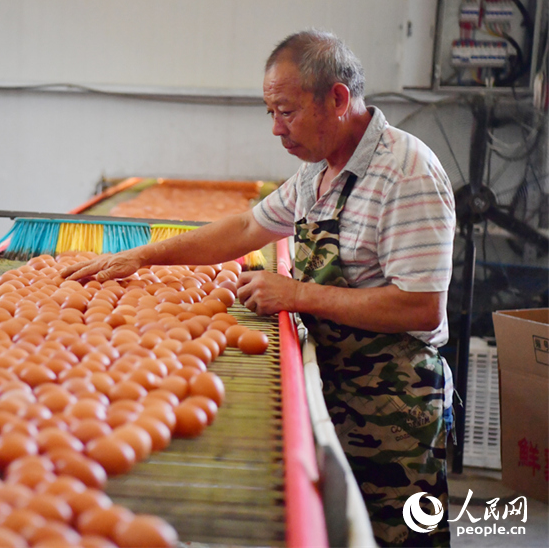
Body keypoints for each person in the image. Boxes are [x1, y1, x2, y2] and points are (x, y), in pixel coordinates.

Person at [62, 29, 456, 547]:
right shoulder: (319, 168)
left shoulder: (407, 174)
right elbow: (249, 229)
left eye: (286, 111)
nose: (276, 128)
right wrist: (144, 255)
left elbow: (421, 307)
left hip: (397, 412)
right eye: (270, 112)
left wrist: (296, 295)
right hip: (336, 388)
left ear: (337, 99)